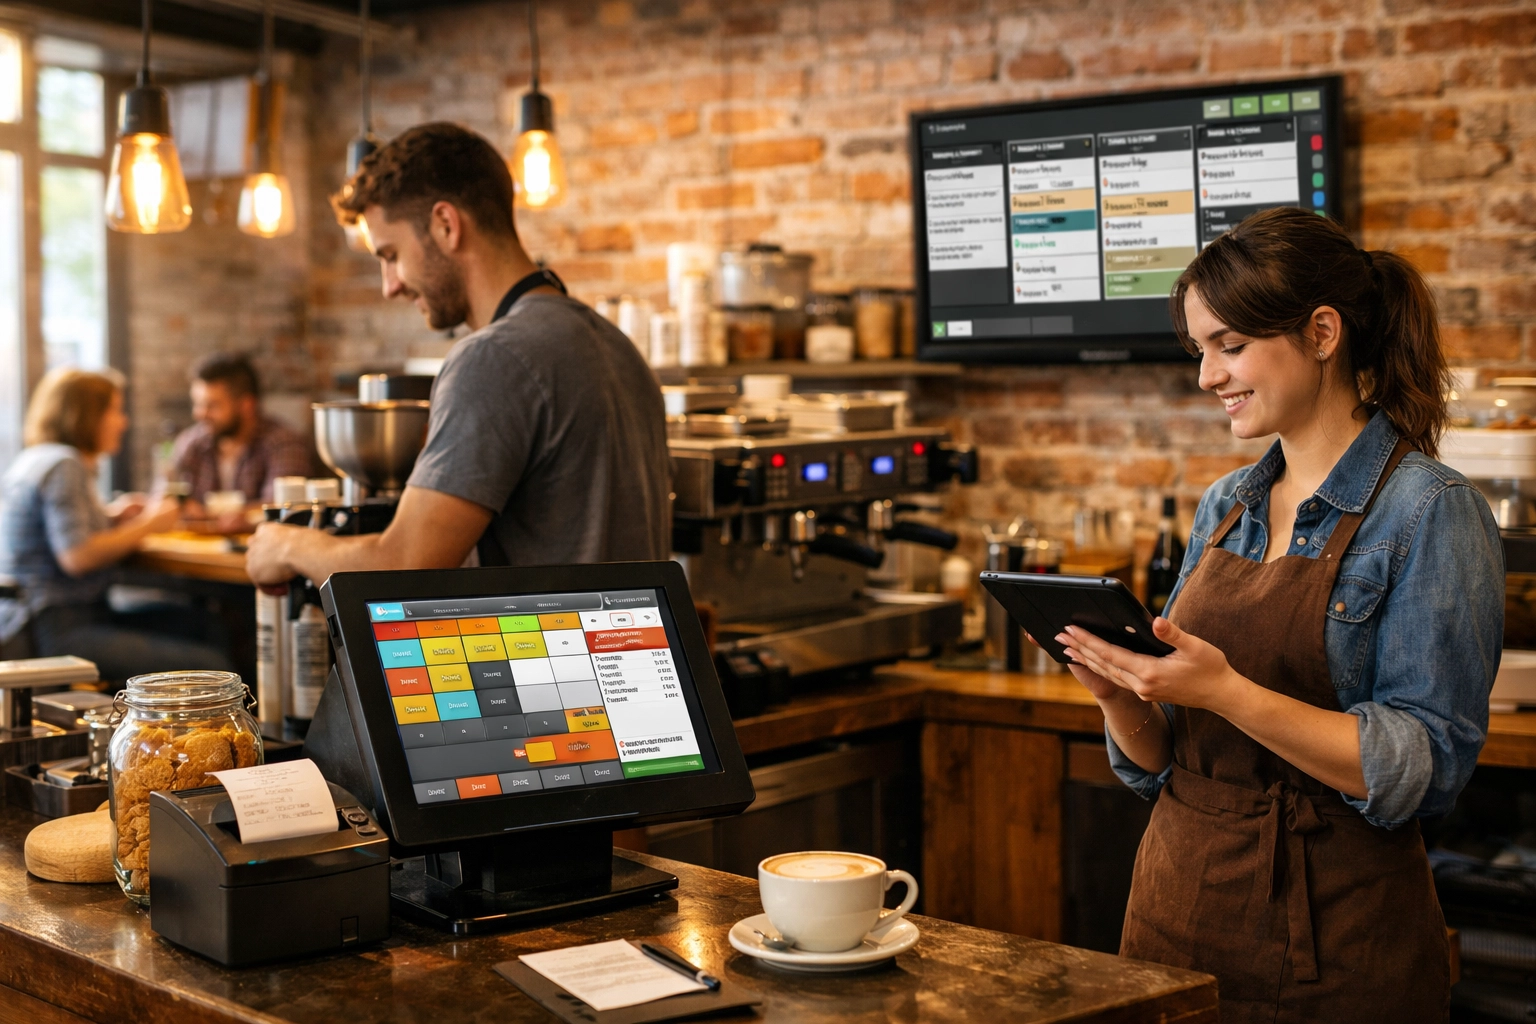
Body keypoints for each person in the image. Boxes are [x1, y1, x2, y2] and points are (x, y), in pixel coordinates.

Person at [1054, 208, 1500, 1022]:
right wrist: (1122, 692)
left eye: (1230, 346)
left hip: (1337, 944)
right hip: (1172, 916)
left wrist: (1226, 691)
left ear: (1322, 332)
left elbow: (1423, 768)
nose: (1207, 376)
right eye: (1201, 351)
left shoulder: (1430, 510)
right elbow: (1164, 763)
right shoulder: (1229, 503)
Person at [243, 122, 669, 587]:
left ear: (446, 225)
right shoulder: (616, 346)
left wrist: (286, 544)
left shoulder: (495, 358)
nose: (390, 286)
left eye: (390, 254)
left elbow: (404, 567)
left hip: (543, 657)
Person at [0, 368, 235, 680]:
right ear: (85, 415)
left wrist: (113, 516)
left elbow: (56, 532)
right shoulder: (64, 465)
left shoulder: (36, 457)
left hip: (43, 620)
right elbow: (77, 556)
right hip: (58, 629)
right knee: (214, 666)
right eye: (115, 410)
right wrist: (151, 523)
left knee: (208, 625)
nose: (123, 422)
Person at [171, 352, 310, 517]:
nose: (200, 414)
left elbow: (282, 507)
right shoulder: (192, 442)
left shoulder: (283, 443)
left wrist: (211, 515)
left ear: (246, 405)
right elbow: (164, 497)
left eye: (212, 406)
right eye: (198, 404)